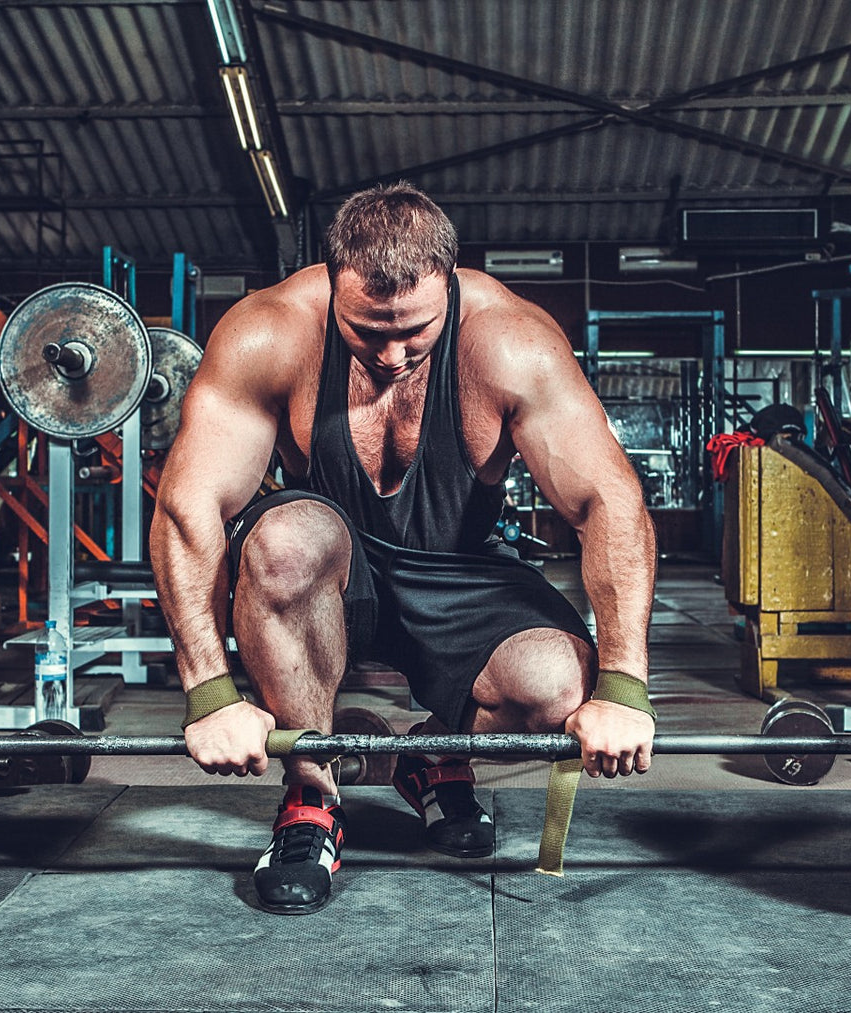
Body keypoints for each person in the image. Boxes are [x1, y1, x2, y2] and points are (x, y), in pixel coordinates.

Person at [149, 181, 656, 915]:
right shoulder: (271, 332)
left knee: (560, 689)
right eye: (366, 330)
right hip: (330, 560)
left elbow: (609, 500)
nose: (391, 355)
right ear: (332, 285)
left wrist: (624, 687)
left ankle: (434, 755)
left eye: (415, 330)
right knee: (283, 541)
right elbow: (188, 504)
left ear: (448, 282)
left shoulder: (511, 342)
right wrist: (210, 693)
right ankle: (312, 799)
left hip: (459, 569)